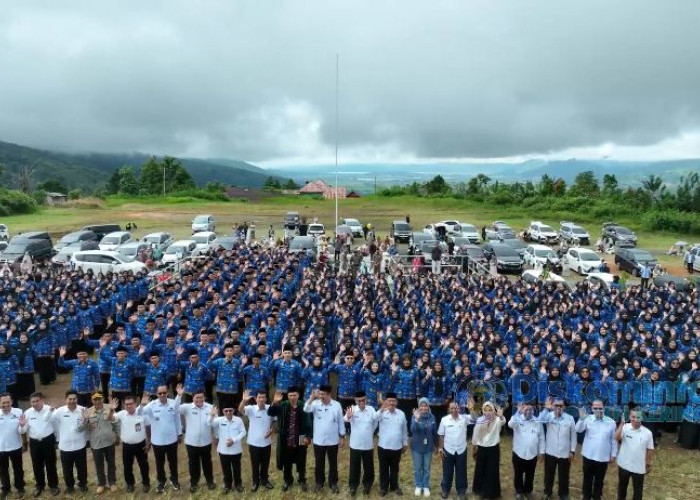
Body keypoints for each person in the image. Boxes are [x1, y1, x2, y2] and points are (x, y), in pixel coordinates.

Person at [268, 387, 311, 492]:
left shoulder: (303, 405)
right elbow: (271, 412)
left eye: (294, 395)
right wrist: (274, 402)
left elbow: (308, 422)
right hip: (286, 438)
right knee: (287, 461)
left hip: (300, 437)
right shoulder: (283, 405)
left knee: (301, 460)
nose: (292, 397)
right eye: (290, 395)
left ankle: (302, 480)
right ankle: (288, 480)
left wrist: (308, 436)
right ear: (287, 396)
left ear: (298, 395)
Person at [304, 384, 345, 493]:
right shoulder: (315, 404)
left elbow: (341, 421)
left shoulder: (337, 405)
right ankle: (319, 483)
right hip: (319, 440)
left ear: (329, 394)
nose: (321, 396)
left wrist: (342, 436)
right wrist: (311, 398)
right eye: (320, 394)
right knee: (319, 463)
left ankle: (333, 483)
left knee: (333, 463)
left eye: (323, 394)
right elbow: (305, 409)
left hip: (333, 440)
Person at [175, 386, 216, 493]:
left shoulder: (210, 407)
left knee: (207, 463)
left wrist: (212, 416)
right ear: (193, 398)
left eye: (201, 398)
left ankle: (210, 481)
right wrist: (179, 396)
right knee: (193, 464)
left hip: (206, 442)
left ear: (204, 398)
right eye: (197, 398)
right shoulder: (187, 407)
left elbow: (211, 424)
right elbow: (175, 409)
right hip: (191, 442)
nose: (199, 400)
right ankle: (194, 483)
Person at [142, 385, 182, 494]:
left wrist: (179, 433)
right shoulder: (151, 405)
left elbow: (177, 419)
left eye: (164, 392)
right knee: (159, 463)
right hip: (157, 441)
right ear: (156, 394)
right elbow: (141, 412)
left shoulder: (173, 403)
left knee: (173, 462)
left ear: (167, 392)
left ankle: (174, 480)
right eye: (160, 393)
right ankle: (161, 482)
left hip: (171, 440)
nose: (162, 395)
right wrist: (142, 404)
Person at [19, 392, 60, 497]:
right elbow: (23, 430)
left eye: (37, 401)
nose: (35, 403)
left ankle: (53, 485)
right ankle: (39, 486)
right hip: (34, 442)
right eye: (33, 401)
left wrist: (57, 439)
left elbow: (55, 424)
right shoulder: (27, 413)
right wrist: (22, 426)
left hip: (48, 440)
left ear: (42, 400)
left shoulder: (50, 410)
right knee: (37, 465)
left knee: (50, 464)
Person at [575, 400, 617, 500]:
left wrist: (613, 454)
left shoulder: (611, 422)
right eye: (595, 408)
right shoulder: (587, 419)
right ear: (592, 409)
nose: (598, 410)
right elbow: (578, 429)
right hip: (588, 455)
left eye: (600, 408)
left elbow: (613, 440)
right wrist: (581, 419)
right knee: (587, 478)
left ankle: (597, 496)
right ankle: (586, 496)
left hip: (603, 457)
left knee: (599, 480)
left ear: (604, 408)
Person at [539, 397, 577, 500]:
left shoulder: (570, 418)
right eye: (556, 405)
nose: (558, 407)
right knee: (548, 475)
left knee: (564, 475)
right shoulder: (548, 416)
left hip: (565, 453)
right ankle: (547, 492)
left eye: (561, 405)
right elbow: (540, 420)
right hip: (550, 452)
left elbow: (573, 436)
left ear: (564, 407)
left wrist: (572, 451)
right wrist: (546, 409)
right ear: (553, 406)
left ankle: (563, 494)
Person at [112, 394, 150, 493]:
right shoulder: (121, 414)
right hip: (127, 446)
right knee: (127, 466)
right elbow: (109, 419)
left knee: (144, 465)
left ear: (135, 403)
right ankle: (130, 484)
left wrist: (148, 442)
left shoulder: (141, 412)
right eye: (126, 404)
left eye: (131, 404)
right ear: (124, 405)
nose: (129, 406)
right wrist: (112, 409)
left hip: (141, 445)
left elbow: (148, 427)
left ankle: (146, 483)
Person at [52, 390, 88, 494]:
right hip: (65, 446)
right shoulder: (59, 412)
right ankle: (70, 486)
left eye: (74, 399)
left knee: (82, 468)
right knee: (67, 469)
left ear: (77, 399)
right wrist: (50, 410)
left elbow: (85, 428)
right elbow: (50, 421)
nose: (72, 401)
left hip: (80, 445)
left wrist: (86, 420)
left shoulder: (83, 410)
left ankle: (83, 484)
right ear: (66, 400)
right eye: (70, 399)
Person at [438, 400, 475, 500]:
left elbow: (475, 418)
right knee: (447, 471)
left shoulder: (465, 418)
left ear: (459, 409)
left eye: (456, 408)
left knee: (461, 472)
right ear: (449, 409)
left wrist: (471, 409)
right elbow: (441, 435)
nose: (454, 410)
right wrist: (441, 448)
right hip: (448, 450)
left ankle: (462, 491)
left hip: (461, 450)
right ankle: (445, 490)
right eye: (452, 408)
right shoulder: (444, 420)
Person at [239, 389, 275, 491]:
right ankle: (255, 482)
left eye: (263, 397)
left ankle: (264, 480)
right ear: (256, 399)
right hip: (253, 443)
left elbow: (274, 421)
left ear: (266, 398)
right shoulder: (251, 409)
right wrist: (244, 401)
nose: (261, 399)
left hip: (266, 443)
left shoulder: (270, 409)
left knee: (265, 463)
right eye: (259, 397)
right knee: (255, 464)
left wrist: (272, 429)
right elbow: (240, 410)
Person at [373, 392, 408, 497]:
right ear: (386, 402)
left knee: (395, 468)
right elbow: (374, 419)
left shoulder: (401, 414)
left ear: (396, 402)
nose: (391, 403)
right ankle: (383, 488)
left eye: (393, 401)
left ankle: (394, 486)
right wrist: (381, 409)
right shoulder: (382, 413)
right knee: (383, 468)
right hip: (383, 446)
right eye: (389, 401)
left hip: (396, 447)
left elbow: (404, 430)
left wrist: (405, 443)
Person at [508, 403, 545, 500]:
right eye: (526, 409)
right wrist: (518, 412)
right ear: (523, 409)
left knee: (530, 474)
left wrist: (541, 452)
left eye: (531, 409)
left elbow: (541, 437)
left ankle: (528, 491)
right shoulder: (517, 418)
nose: (529, 411)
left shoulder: (538, 421)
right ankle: (519, 491)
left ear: (534, 410)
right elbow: (510, 424)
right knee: (518, 474)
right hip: (518, 453)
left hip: (532, 454)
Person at [615, 409, 654, 500]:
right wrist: (621, 424)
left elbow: (650, 449)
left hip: (639, 467)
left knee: (638, 492)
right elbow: (616, 438)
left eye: (638, 417)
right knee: (622, 489)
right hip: (624, 465)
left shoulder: (648, 433)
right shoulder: (625, 427)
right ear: (629, 417)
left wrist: (648, 463)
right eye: (633, 417)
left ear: (642, 418)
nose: (635, 419)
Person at [344, 391, 377, 497]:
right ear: (355, 400)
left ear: (366, 399)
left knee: (368, 466)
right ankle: (353, 486)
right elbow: (345, 418)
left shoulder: (371, 409)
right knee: (354, 467)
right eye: (359, 400)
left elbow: (375, 422)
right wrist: (348, 417)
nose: (362, 402)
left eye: (363, 400)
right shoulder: (352, 409)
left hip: (368, 444)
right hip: (355, 444)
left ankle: (367, 485)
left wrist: (369, 432)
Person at [85, 392, 118, 494]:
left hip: (109, 442)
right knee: (99, 465)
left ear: (102, 399)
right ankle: (101, 484)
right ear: (92, 400)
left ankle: (112, 482)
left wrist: (117, 437)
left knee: (111, 463)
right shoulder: (88, 412)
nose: (97, 401)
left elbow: (114, 422)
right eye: (95, 399)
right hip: (96, 443)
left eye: (99, 398)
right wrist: (85, 420)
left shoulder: (110, 408)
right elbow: (85, 429)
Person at [471, 401, 505, 500]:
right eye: (486, 410)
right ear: (483, 411)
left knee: (491, 471)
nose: (488, 412)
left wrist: (501, 416)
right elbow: (475, 434)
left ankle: (491, 493)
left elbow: (503, 422)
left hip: (493, 450)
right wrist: (474, 447)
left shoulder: (497, 420)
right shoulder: (480, 420)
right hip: (482, 449)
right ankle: (480, 490)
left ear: (493, 411)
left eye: (490, 410)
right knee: (481, 470)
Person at [210, 403, 246, 493]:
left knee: (237, 469)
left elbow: (243, 432)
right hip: (223, 450)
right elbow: (209, 423)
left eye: (230, 410)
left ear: (233, 411)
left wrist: (234, 440)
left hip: (236, 450)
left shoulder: (238, 420)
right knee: (226, 469)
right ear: (223, 412)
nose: (228, 412)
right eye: (226, 411)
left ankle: (238, 484)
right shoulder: (219, 420)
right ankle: (227, 485)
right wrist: (212, 415)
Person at [410, 398, 437, 497]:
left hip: (428, 447)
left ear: (428, 406)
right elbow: (412, 430)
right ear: (419, 406)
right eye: (421, 405)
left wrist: (436, 445)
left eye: (425, 406)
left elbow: (434, 432)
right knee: (417, 468)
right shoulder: (415, 416)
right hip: (417, 447)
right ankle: (418, 485)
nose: (423, 408)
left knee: (426, 468)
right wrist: (416, 419)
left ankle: (426, 486)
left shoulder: (432, 417)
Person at [0, 393, 25, 498]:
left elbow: (21, 430)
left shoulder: (19, 412)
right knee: (3, 470)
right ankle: (6, 488)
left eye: (8, 402)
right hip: (1, 448)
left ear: (12, 402)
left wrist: (22, 426)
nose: (6, 404)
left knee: (18, 468)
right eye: (3, 403)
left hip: (16, 446)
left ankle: (20, 487)